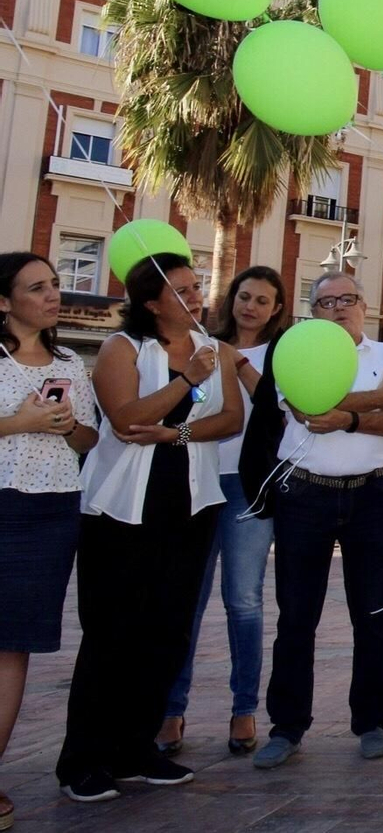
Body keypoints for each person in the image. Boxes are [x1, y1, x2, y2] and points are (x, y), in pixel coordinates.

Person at [58, 253, 242, 802]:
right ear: (150, 302)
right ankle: (83, 761)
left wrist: (179, 436)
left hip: (191, 502)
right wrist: (187, 380)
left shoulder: (214, 350)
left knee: (167, 631)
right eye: (182, 290)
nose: (195, 297)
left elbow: (230, 419)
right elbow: (128, 419)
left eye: (196, 287)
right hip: (122, 509)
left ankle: (136, 749)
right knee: (112, 633)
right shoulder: (124, 348)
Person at [253, 272, 383, 770]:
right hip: (305, 494)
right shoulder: (296, 351)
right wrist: (375, 400)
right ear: (312, 311)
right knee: (297, 616)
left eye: (348, 298)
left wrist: (347, 414)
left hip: (374, 493)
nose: (338, 307)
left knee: (374, 614)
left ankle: (371, 721)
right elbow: (307, 410)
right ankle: (286, 726)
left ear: (365, 306)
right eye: (326, 301)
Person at [158, 265, 287, 758]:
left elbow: (278, 409)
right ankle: (171, 710)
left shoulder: (280, 353)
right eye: (244, 296)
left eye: (261, 300)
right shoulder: (196, 345)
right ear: (232, 298)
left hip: (248, 489)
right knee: (186, 599)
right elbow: (187, 402)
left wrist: (238, 364)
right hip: (195, 479)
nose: (249, 306)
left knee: (244, 601)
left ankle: (244, 709)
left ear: (276, 309)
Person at [0, 254, 98, 823]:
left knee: (13, 646)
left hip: (53, 511)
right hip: (2, 502)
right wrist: (22, 421)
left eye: (56, 284)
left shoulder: (68, 362)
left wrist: (67, 426)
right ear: (5, 301)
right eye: (37, 287)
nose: (54, 294)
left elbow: (87, 439)